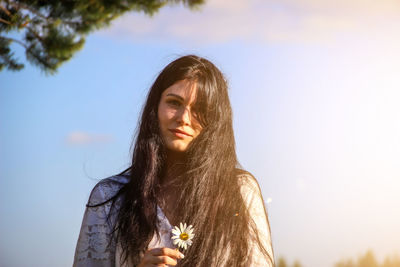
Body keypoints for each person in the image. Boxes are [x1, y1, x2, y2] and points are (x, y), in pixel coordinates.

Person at [73, 55, 274, 267]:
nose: (184, 118)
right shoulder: (109, 198)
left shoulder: (240, 193)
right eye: (174, 102)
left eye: (200, 109)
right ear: (155, 107)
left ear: (215, 120)